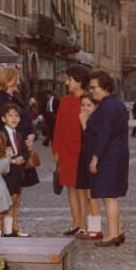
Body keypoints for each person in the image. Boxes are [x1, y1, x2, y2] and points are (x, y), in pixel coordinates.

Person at [87, 70, 129, 247]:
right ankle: (117, 231)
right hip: (118, 153)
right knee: (112, 196)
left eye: (94, 87)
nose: (91, 91)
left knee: (109, 196)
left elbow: (104, 135)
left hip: (109, 155)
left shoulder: (106, 106)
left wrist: (96, 157)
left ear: (105, 87)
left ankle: (112, 234)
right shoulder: (117, 104)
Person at [52, 65, 91, 236]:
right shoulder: (65, 101)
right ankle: (75, 222)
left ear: (79, 81)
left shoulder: (88, 101)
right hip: (66, 150)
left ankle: (84, 223)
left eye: (70, 79)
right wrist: (56, 150)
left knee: (82, 188)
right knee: (70, 187)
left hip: (81, 150)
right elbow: (58, 127)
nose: (66, 82)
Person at [0, 67, 38, 188]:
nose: (18, 81)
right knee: (11, 184)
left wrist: (32, 134)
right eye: (16, 78)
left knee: (19, 186)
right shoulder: (0, 98)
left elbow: (26, 118)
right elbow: (4, 123)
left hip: (22, 142)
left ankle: (15, 207)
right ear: (8, 79)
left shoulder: (15, 96)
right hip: (12, 143)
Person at [74, 94, 103, 240]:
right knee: (86, 193)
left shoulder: (95, 121)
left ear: (96, 107)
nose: (84, 108)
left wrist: (84, 124)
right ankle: (91, 227)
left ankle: (96, 228)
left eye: (88, 105)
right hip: (83, 157)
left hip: (92, 158)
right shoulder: (87, 120)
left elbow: (92, 140)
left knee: (92, 195)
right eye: (83, 105)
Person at [0, 103, 30, 237]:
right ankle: (6, 230)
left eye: (16, 115)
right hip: (7, 173)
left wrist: (22, 157)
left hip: (18, 172)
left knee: (16, 200)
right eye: (10, 115)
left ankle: (13, 227)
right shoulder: (0, 135)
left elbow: (25, 151)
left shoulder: (19, 134)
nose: (14, 118)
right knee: (7, 202)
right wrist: (11, 160)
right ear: (3, 118)